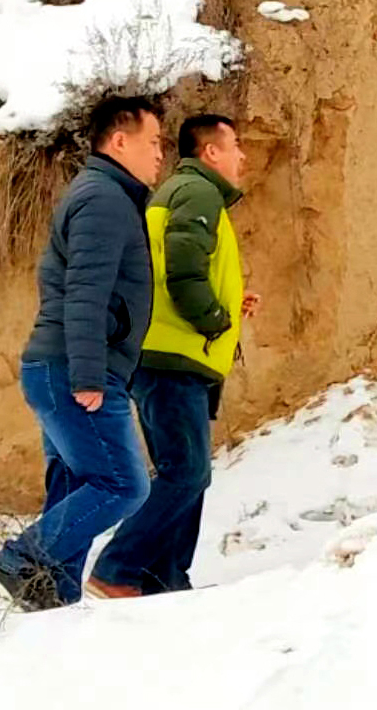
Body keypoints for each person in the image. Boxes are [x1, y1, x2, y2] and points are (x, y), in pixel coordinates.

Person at [0, 96, 163, 610]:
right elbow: (85, 292)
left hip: (60, 366)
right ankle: (20, 561)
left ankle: (51, 597)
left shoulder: (103, 195)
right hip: (75, 369)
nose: (159, 154)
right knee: (123, 485)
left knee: (75, 481)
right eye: (153, 142)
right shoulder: (104, 200)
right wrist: (88, 375)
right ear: (119, 141)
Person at [87, 114, 258, 598]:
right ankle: (117, 570)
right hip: (170, 356)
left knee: (187, 473)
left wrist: (229, 303)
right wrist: (214, 318)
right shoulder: (198, 193)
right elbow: (183, 270)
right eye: (235, 144)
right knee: (187, 471)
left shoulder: (184, 193)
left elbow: (175, 267)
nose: (242, 155)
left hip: (166, 355)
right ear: (211, 152)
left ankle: (165, 580)